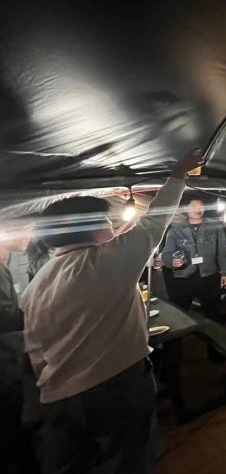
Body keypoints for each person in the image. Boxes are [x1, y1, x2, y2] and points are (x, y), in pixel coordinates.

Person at [19, 150, 202, 474]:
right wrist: (178, 175)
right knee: (128, 463)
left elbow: (35, 351)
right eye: (107, 222)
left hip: (57, 398)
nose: (113, 229)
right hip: (115, 388)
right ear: (88, 228)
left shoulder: (38, 283)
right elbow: (155, 221)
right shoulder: (105, 261)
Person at [1, 223, 36, 474]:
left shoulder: (7, 264)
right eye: (28, 228)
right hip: (5, 367)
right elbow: (5, 318)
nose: (32, 235)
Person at [161, 194, 226, 321]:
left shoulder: (215, 227)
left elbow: (222, 251)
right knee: (179, 313)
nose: (198, 209)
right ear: (185, 208)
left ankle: (215, 332)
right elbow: (166, 253)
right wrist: (172, 261)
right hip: (184, 277)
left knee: (213, 312)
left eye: (201, 206)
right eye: (193, 206)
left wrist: (225, 273)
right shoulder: (175, 231)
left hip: (209, 276)